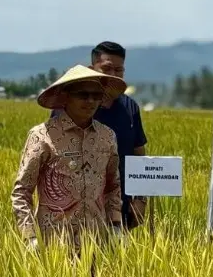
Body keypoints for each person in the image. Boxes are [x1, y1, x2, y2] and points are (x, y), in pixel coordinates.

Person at [12, 65, 127, 253]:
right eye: (83, 95)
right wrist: (29, 236)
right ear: (66, 96)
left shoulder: (107, 137)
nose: (90, 101)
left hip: (95, 243)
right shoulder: (42, 136)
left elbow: (113, 186)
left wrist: (115, 225)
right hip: (52, 244)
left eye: (96, 95)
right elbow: (21, 192)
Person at [51, 42, 148, 230]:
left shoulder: (130, 108)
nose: (113, 74)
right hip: (72, 210)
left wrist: (140, 199)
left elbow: (139, 155)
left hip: (118, 209)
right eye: (107, 68)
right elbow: (53, 156)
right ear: (91, 69)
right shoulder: (68, 107)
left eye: (119, 70)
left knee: (115, 248)